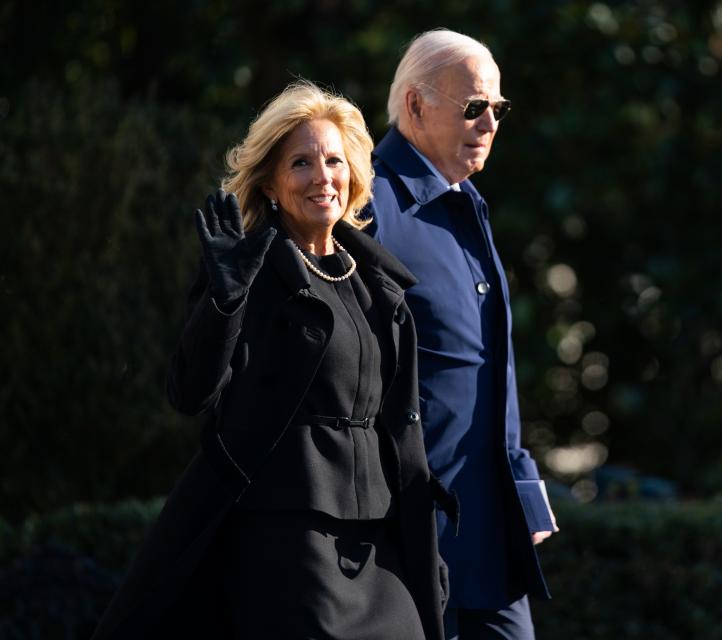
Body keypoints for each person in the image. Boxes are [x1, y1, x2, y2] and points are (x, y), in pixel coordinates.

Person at [92, 80, 451, 640]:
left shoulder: (379, 286)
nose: (321, 176)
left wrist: (422, 537)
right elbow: (191, 394)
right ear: (272, 184)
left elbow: (398, 423)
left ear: (353, 173)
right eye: (300, 163)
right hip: (287, 532)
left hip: (379, 540)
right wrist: (224, 301)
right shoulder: (246, 271)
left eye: (333, 160)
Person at [364, 29, 557, 640]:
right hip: (406, 542)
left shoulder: (466, 201)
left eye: (499, 109)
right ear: (416, 105)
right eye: (474, 107)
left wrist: (523, 482)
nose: (491, 122)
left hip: (491, 536)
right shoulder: (366, 202)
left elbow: (488, 364)